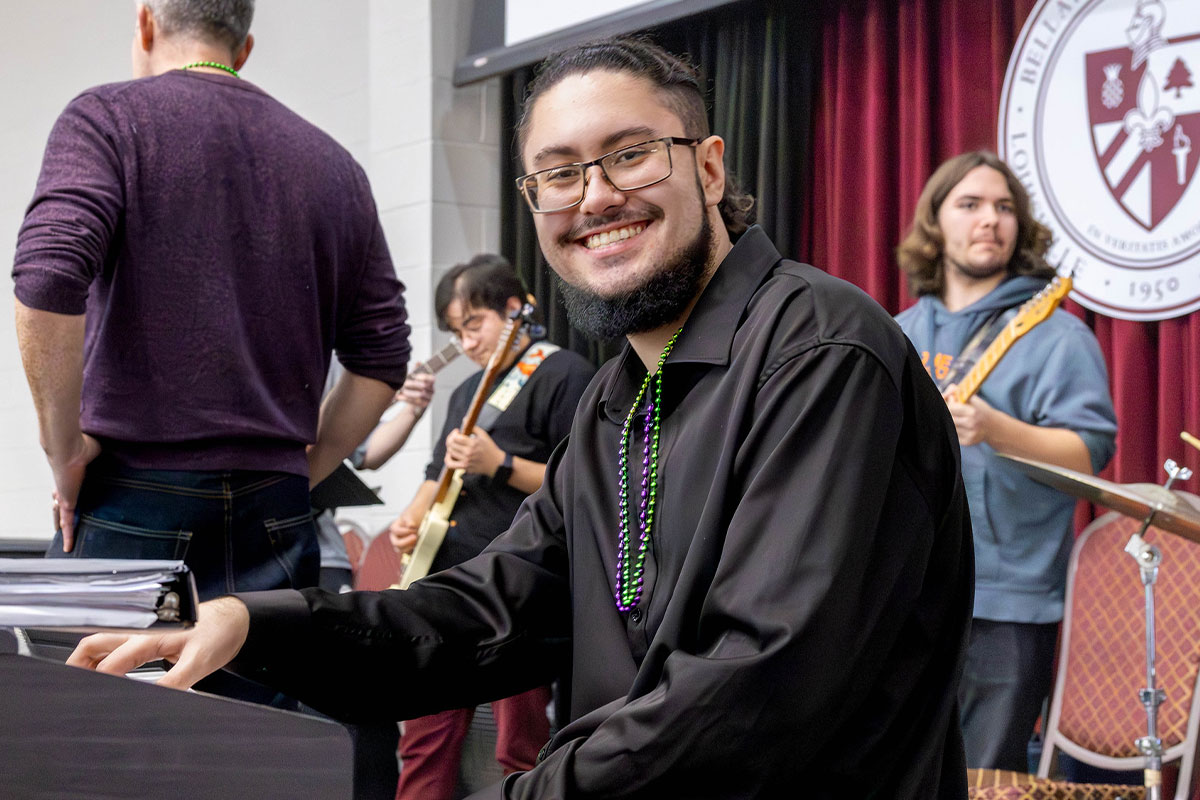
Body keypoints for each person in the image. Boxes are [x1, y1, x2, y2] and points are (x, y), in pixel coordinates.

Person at [70, 37, 973, 798]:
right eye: (558, 173)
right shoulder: (617, 399)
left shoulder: (820, 353)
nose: (594, 197)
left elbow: (759, 695)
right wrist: (254, 625)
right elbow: (488, 615)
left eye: (630, 154)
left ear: (708, 166)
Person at [12, 0, 410, 601]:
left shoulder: (107, 119)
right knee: (257, 669)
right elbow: (382, 356)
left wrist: (64, 451)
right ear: (243, 50)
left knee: (110, 667)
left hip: (132, 492)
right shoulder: (336, 166)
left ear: (146, 23)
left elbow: (47, 278)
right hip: (274, 509)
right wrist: (304, 471)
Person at [894, 151, 1118, 771]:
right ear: (935, 221)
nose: (990, 219)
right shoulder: (897, 332)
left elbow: (1089, 452)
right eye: (970, 204)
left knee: (988, 778)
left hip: (1009, 601)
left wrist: (995, 429)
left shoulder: (1056, 335)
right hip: (909, 595)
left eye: (1004, 207)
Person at [387, 254, 594, 800]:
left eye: (474, 324)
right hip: (448, 582)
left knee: (518, 748)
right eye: (457, 332)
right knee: (424, 737)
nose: (467, 342)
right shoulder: (466, 392)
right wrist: (410, 520)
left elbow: (583, 482)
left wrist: (499, 463)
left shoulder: (565, 374)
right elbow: (439, 473)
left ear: (514, 309)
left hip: (518, 586)